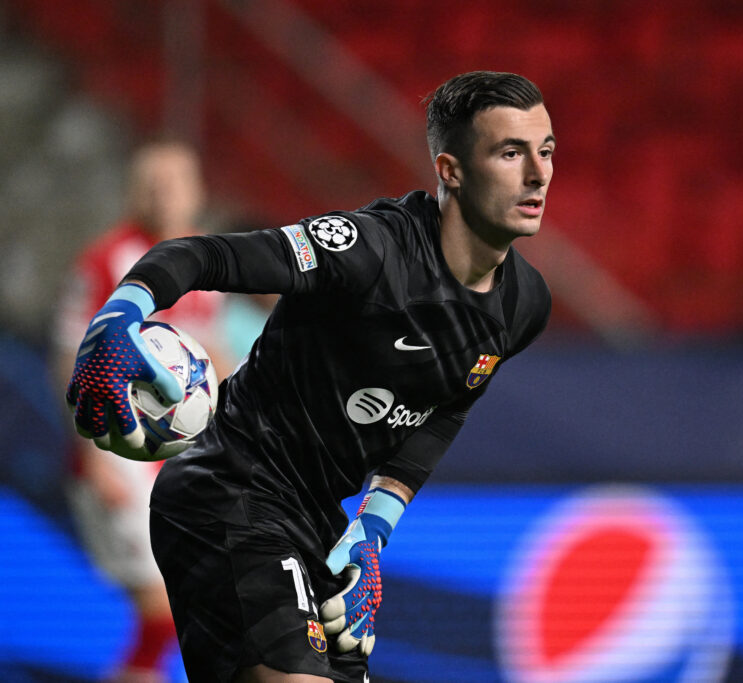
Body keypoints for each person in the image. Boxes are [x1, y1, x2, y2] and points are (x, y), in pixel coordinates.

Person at [65, 71, 554, 682]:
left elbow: (450, 405)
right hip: (230, 488)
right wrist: (122, 312)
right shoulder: (367, 250)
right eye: (511, 153)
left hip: (317, 521)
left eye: (546, 151)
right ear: (451, 170)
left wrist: (374, 527)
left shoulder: (523, 306)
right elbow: (200, 255)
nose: (538, 174)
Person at [54, 140, 229, 682]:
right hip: (117, 452)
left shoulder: (204, 261)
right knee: (163, 605)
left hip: (170, 461)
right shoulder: (108, 258)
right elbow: (68, 357)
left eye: (174, 181)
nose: (163, 193)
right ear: (133, 191)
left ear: (197, 191)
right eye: (152, 182)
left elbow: (206, 354)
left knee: (184, 606)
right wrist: (94, 452)